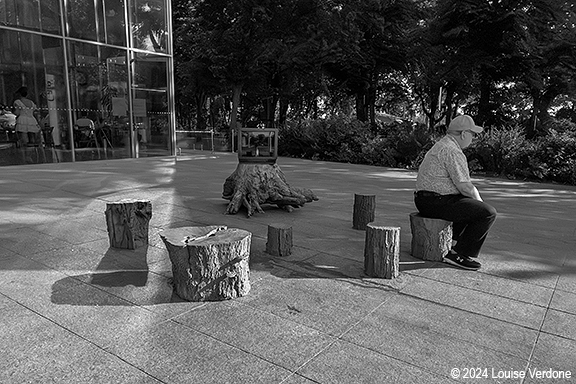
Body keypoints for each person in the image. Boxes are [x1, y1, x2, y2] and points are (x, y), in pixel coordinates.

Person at [414, 115, 497, 270]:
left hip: (426, 200)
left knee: (466, 204)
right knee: (487, 212)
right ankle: (459, 254)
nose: (473, 138)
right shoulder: (452, 151)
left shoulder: (442, 145)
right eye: (472, 134)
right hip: (435, 201)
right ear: (464, 134)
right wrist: (481, 203)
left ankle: (454, 243)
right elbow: (465, 187)